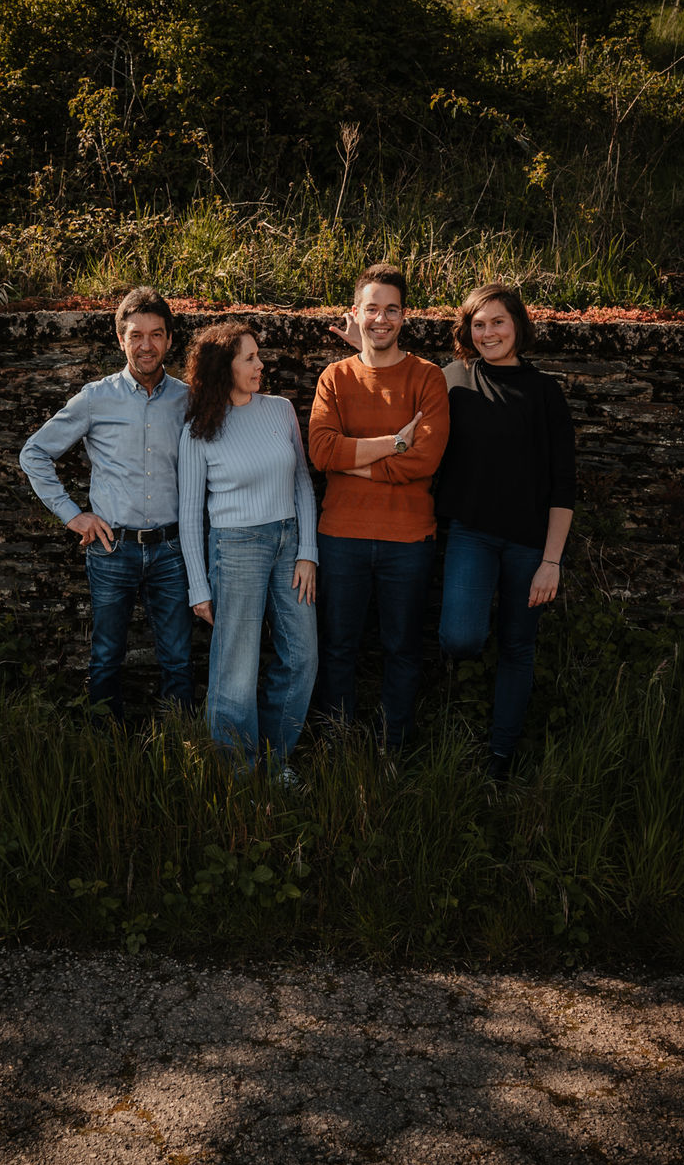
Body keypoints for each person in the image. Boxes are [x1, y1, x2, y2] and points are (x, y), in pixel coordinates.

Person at [19, 286, 194, 723]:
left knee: (178, 658)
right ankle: (105, 749)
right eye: (136, 335)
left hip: (173, 549)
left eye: (156, 334)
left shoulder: (187, 400)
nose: (147, 345)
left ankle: (182, 746)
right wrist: (73, 515)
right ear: (121, 340)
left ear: (170, 339)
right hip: (112, 547)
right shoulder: (96, 398)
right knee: (106, 656)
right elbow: (34, 453)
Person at [434, 283, 576, 784]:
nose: (488, 332)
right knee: (461, 636)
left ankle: (499, 759)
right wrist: (360, 341)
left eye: (498, 322)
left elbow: (564, 485)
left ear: (517, 326)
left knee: (518, 646)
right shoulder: (452, 378)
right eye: (478, 323)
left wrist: (551, 561)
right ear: (467, 331)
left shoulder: (544, 393)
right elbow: (398, 381)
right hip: (471, 533)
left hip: (528, 545)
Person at [309, 266, 449, 750]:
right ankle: (336, 751)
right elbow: (321, 452)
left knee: (402, 650)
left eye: (391, 309)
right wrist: (394, 444)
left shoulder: (427, 378)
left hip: (408, 540)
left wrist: (355, 462)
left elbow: (426, 459)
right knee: (338, 649)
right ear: (356, 313)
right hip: (341, 537)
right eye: (372, 308)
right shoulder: (335, 376)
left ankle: (394, 753)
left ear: (404, 316)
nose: (381, 319)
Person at [178, 322, 318, 772]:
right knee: (236, 671)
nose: (261, 365)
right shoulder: (199, 430)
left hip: (288, 542)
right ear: (224, 367)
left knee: (301, 657)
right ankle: (237, 775)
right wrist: (198, 588)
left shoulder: (279, 410)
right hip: (236, 548)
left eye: (259, 356)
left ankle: (274, 762)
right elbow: (188, 514)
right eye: (250, 358)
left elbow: (301, 482)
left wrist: (308, 552)